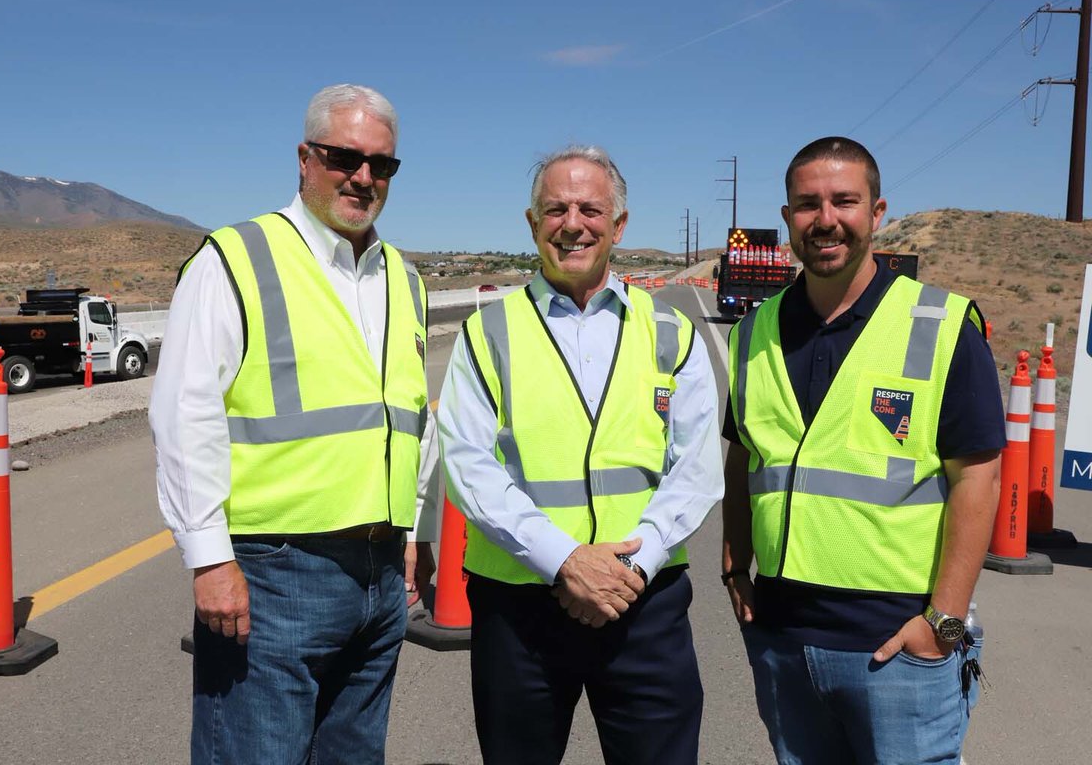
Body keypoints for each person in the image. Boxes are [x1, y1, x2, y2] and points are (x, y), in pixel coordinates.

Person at [149, 83, 438, 765]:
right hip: (275, 572)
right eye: (345, 157)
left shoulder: (405, 277)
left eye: (383, 165)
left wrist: (411, 529)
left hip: (377, 573)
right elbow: (184, 414)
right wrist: (209, 557)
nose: (363, 177)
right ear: (305, 157)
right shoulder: (235, 258)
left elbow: (409, 418)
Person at [438, 145, 724, 765]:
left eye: (591, 209)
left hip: (643, 601)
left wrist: (631, 567)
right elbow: (466, 462)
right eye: (556, 209)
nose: (573, 224)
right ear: (532, 223)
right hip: (520, 606)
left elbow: (697, 469)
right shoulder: (488, 332)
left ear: (618, 225)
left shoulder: (671, 330)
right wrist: (563, 559)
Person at [721, 136, 1002, 764]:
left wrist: (945, 622)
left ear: (877, 214)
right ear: (789, 216)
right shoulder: (751, 335)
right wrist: (734, 568)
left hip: (899, 647)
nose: (826, 219)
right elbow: (743, 460)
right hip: (784, 640)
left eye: (844, 201)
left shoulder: (941, 325)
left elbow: (978, 480)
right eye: (807, 204)